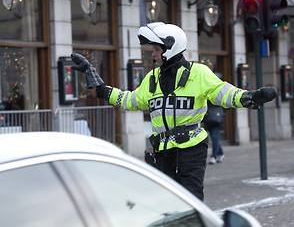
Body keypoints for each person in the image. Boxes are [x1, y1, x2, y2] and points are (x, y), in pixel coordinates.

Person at [71, 22, 277, 201]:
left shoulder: (198, 73)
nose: (152, 54)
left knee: (190, 199)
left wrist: (249, 97)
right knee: (168, 204)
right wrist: (97, 84)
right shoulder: (152, 78)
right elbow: (129, 100)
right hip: (162, 152)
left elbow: (223, 92)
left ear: (170, 47)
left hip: (192, 149)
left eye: (156, 49)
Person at [203, 100, 225, 165]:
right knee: (214, 139)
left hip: (217, 120)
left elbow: (227, 105)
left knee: (214, 138)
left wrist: (221, 111)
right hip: (209, 120)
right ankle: (221, 153)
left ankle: (214, 156)